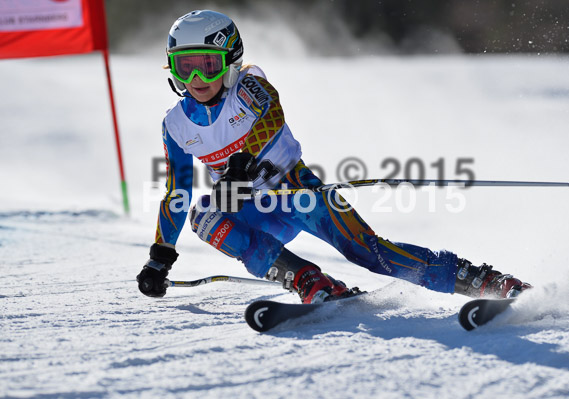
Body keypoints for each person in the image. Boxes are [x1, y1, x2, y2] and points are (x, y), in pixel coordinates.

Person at [136, 10, 531, 304]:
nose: (195, 80)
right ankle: (309, 281)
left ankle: (483, 281)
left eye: (206, 65)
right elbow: (177, 191)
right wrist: (160, 255)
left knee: (370, 253)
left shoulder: (249, 84)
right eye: (184, 67)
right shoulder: (175, 124)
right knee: (203, 214)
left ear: (230, 60)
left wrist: (241, 162)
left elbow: (271, 115)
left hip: (298, 192)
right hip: (251, 209)